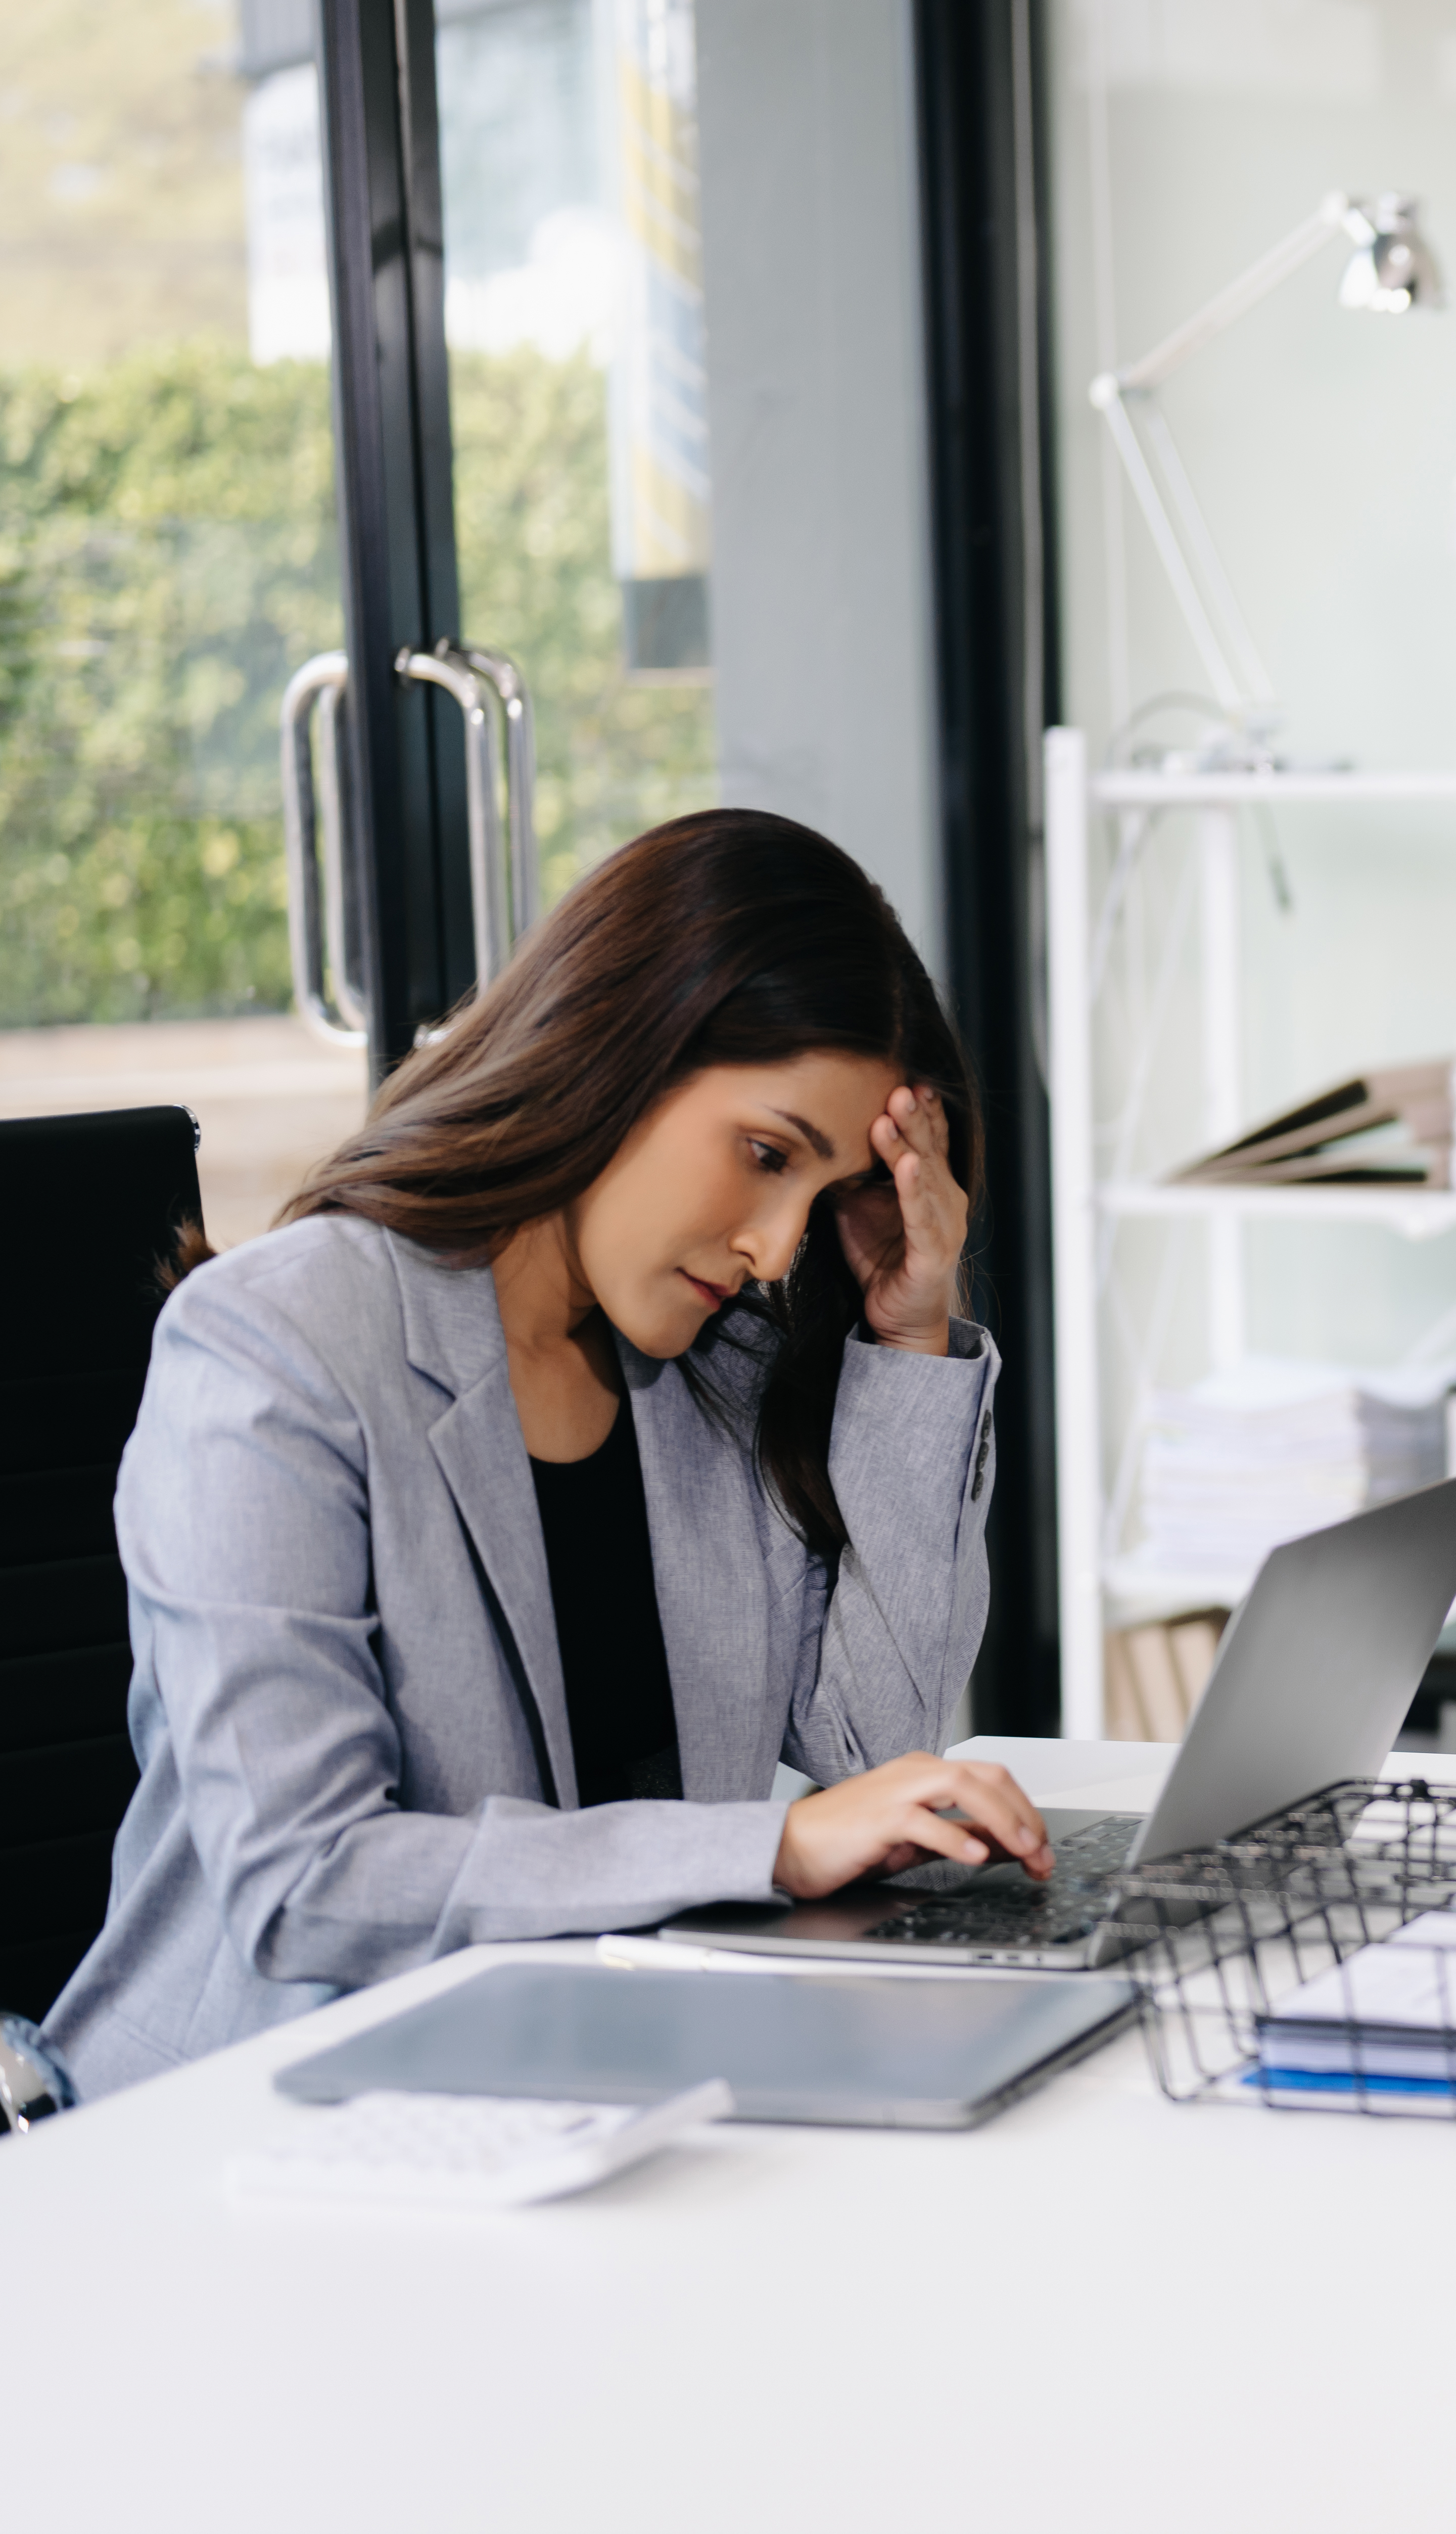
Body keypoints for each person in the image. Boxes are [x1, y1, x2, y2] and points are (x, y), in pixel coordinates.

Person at [48, 811, 1051, 2094]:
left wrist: (911, 1337)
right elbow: (307, 1883)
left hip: (599, 2083)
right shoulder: (279, 1344)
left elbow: (872, 1746)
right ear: (623, 1047)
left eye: (820, 1196)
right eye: (763, 1156)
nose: (776, 1250)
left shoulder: (716, 1370)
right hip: (267, 2118)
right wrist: (769, 1848)